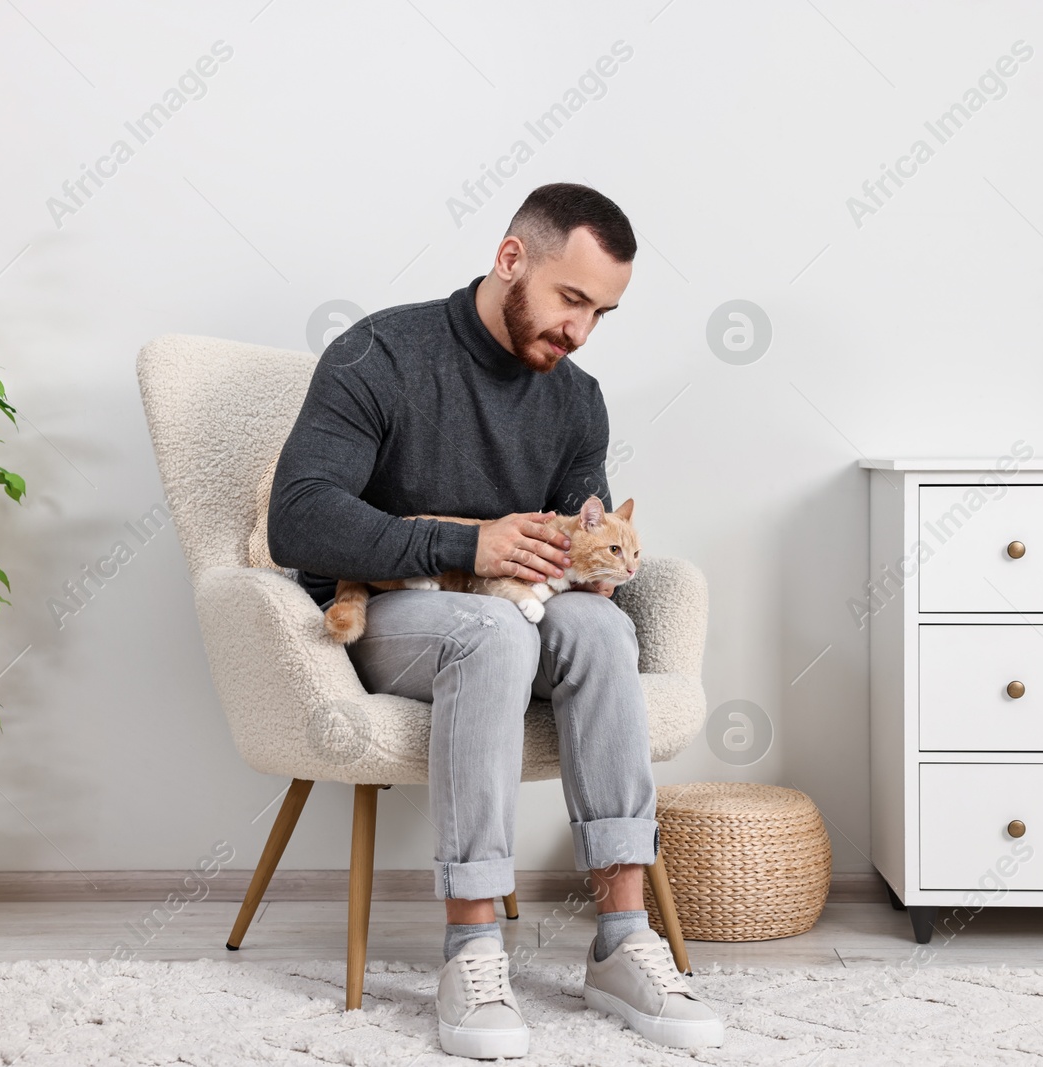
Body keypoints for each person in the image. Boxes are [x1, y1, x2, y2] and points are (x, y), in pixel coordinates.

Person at [267, 183, 723, 1057]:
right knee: (492, 632)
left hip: (511, 615)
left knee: (599, 632)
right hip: (387, 616)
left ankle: (624, 939)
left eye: (603, 312)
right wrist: (465, 544)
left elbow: (578, 538)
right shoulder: (381, 353)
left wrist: (592, 580)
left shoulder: (576, 398)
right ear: (511, 258)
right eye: (571, 299)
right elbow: (299, 518)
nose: (581, 331)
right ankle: (472, 948)